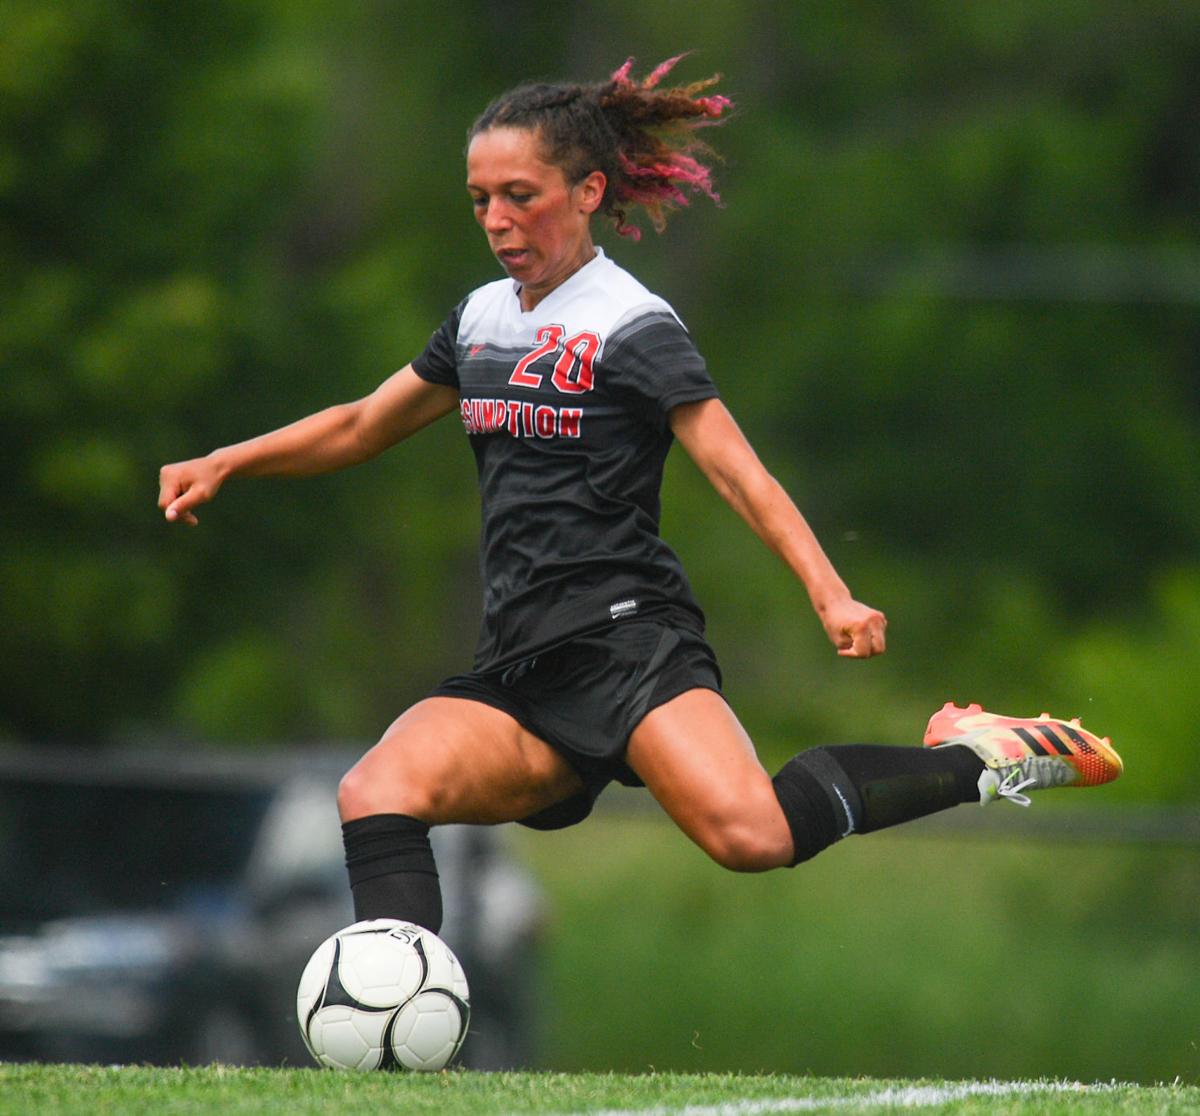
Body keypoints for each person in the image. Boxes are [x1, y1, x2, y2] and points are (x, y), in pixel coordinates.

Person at [158, 56, 1122, 935]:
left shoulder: (631, 324)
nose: (496, 220)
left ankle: (982, 756)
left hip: (629, 645)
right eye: (481, 198)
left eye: (520, 196)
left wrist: (829, 591)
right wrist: (229, 459)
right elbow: (364, 424)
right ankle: (410, 1053)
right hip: (522, 666)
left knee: (753, 837)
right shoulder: (481, 321)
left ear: (587, 192)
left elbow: (736, 467)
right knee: (376, 789)